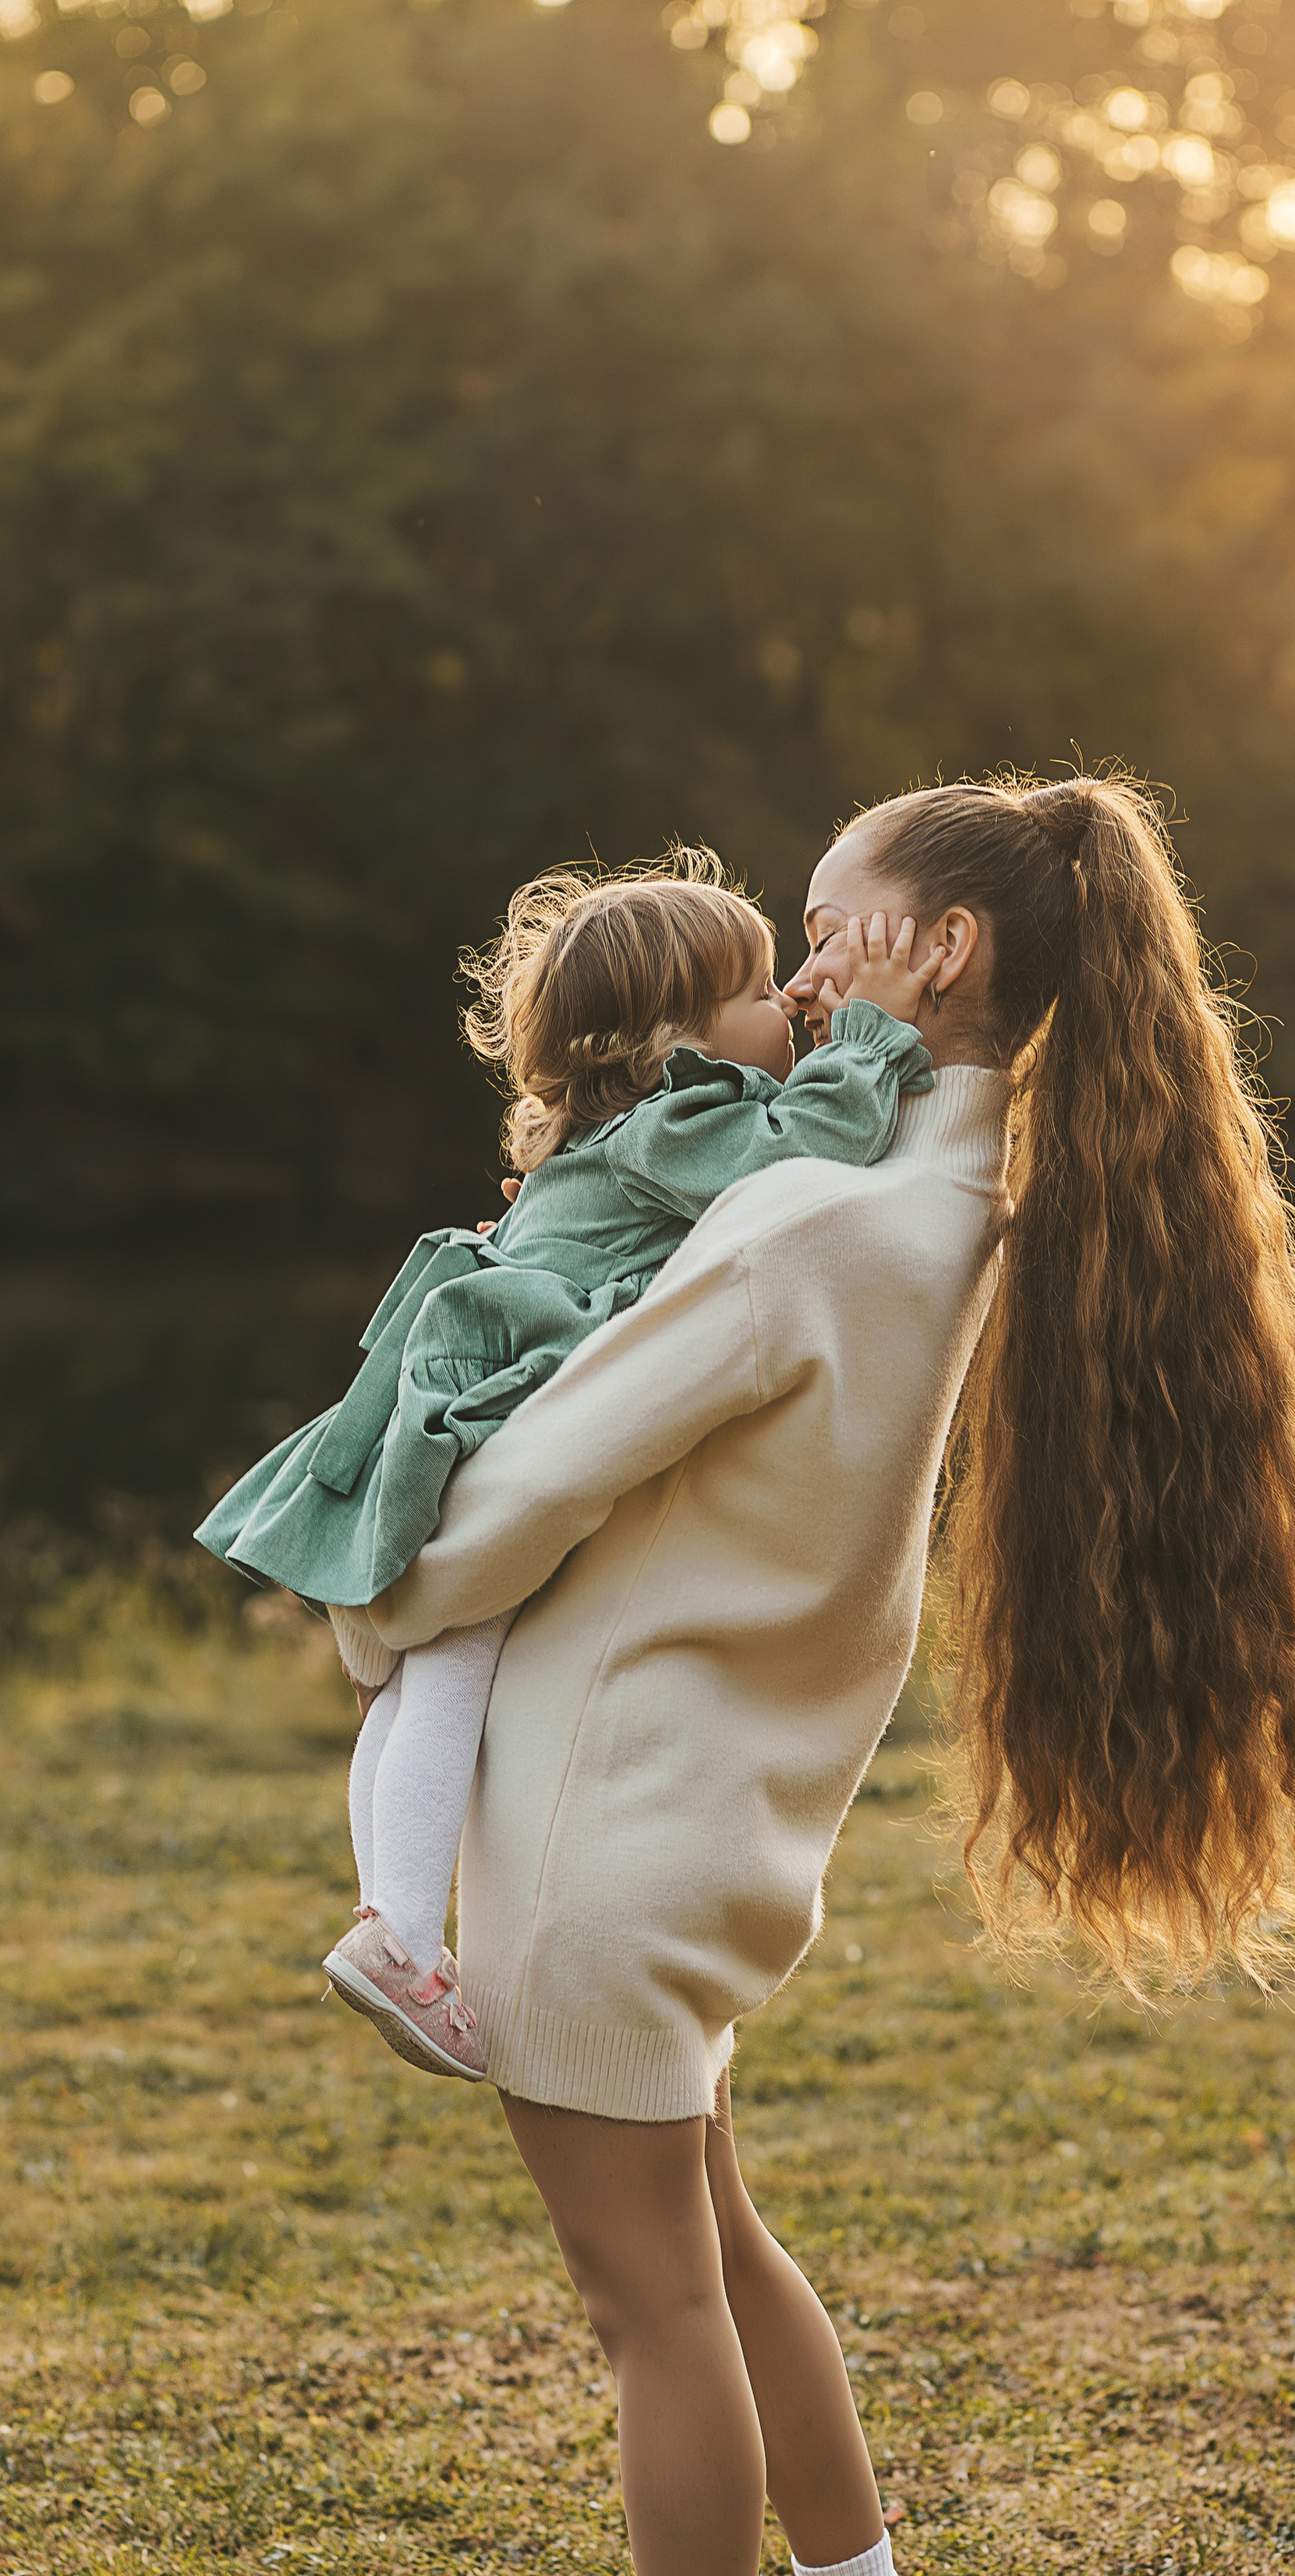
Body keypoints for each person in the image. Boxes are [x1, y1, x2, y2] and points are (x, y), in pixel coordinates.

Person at [324, 774, 1295, 2576]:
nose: (800, 956)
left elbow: (531, 1483)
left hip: (601, 1819)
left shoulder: (804, 1225)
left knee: (649, 2298)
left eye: (830, 922)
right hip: (719, 1820)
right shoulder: (954, 1195)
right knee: (721, 2240)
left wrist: (375, 1617)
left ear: (944, 952)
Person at [196, 855, 945, 2082]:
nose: (791, 1007)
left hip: (453, 1380)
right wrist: (872, 1039)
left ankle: (386, 1915)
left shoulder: (615, 1131)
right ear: (673, 1039)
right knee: (458, 1654)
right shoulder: (682, 1120)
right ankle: (396, 1932)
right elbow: (816, 1152)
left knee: (419, 1681)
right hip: (506, 1399)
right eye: (762, 987)